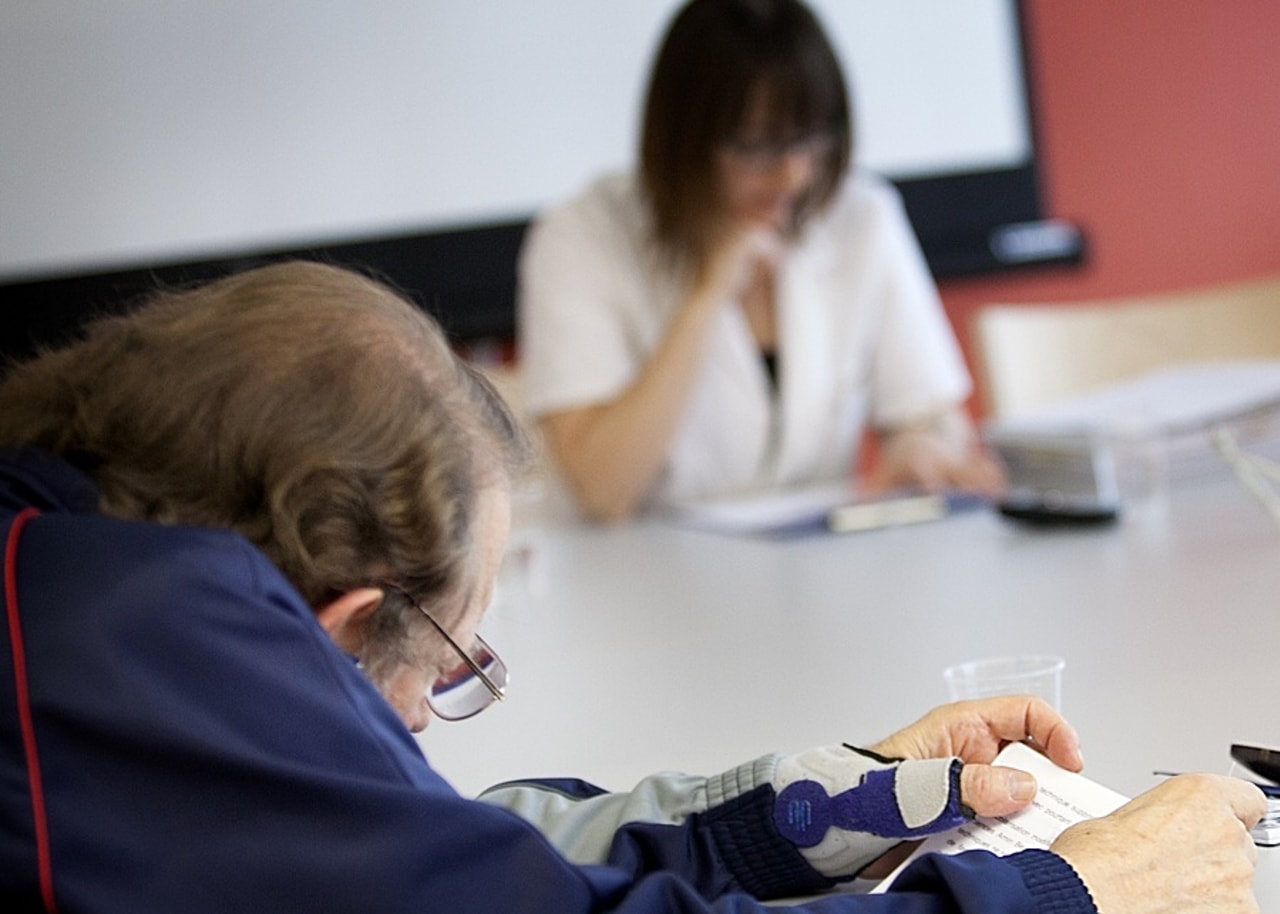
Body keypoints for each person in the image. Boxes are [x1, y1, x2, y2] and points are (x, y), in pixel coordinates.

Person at [0, 261, 1263, 913]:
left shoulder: (78, 588)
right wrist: (1069, 887)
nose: (433, 720)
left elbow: (453, 868)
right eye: (454, 658)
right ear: (338, 623)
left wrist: (806, 808)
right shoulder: (134, 669)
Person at [518, 0, 1008, 523]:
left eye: (811, 139)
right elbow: (601, 490)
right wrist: (705, 297)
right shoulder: (581, 237)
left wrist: (922, 445)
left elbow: (932, 415)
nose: (793, 176)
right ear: (683, 139)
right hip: (635, 581)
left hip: (818, 569)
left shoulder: (861, 217)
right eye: (757, 147)